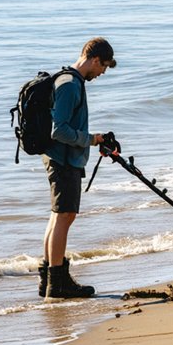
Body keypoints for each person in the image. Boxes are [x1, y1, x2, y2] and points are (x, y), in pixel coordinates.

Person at [38, 37, 115, 300]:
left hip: (62, 158)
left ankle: (49, 280)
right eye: (103, 67)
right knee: (64, 217)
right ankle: (57, 283)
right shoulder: (70, 84)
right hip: (63, 160)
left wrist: (94, 139)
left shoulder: (70, 80)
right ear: (95, 60)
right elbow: (59, 130)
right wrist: (91, 139)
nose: (102, 73)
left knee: (59, 217)